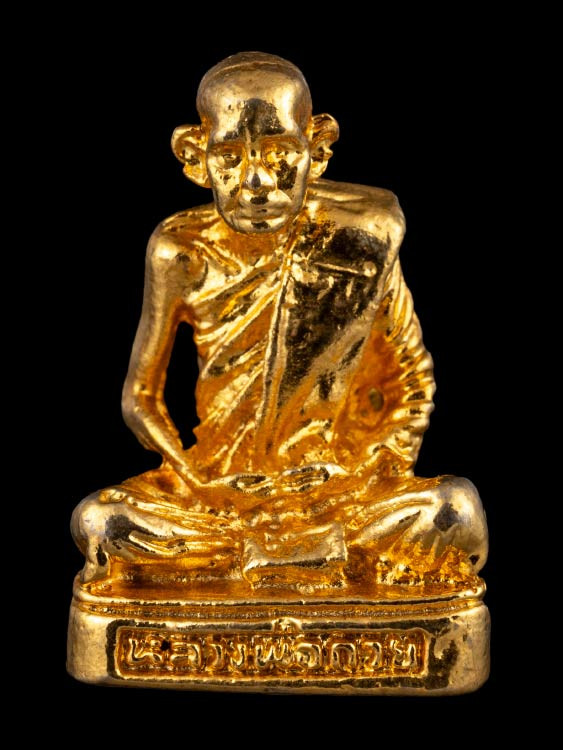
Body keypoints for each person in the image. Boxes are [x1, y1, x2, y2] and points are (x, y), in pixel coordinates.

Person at [72, 52, 487, 586]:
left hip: (336, 489)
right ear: (196, 157)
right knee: (101, 522)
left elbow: (410, 378)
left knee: (454, 510)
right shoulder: (180, 251)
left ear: (318, 149)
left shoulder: (361, 238)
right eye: (230, 157)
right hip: (217, 493)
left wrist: (370, 469)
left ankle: (254, 556)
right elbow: (140, 398)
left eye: (280, 153)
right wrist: (196, 478)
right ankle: (303, 555)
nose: (257, 181)